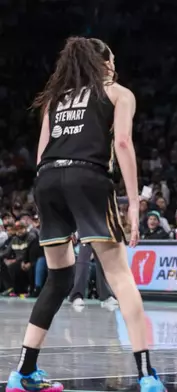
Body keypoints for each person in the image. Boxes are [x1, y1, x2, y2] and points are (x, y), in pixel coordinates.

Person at [4, 37, 165, 392]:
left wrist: (63, 201)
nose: (115, 65)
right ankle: (147, 376)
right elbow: (122, 142)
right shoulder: (118, 93)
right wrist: (134, 204)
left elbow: (41, 153)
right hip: (87, 176)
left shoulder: (55, 99)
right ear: (103, 63)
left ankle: (23, 372)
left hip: (47, 180)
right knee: (121, 277)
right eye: (112, 60)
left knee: (58, 279)